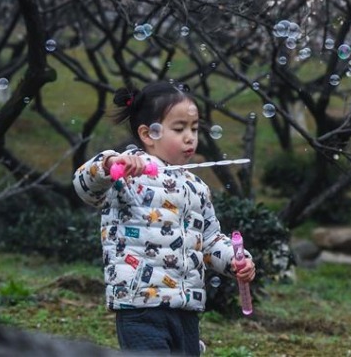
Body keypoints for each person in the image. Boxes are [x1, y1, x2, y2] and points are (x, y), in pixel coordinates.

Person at [73, 81, 255, 356]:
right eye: (179, 129)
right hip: (139, 304)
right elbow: (85, 185)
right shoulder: (126, 175)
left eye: (194, 129)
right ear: (148, 134)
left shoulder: (197, 187)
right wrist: (110, 164)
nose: (190, 137)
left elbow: (209, 240)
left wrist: (234, 259)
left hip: (186, 306)